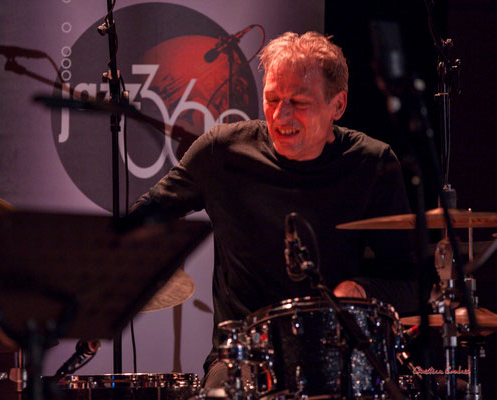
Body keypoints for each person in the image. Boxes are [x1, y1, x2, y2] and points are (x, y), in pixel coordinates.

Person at [130, 31, 417, 387]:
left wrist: (360, 288)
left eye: (299, 101)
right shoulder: (222, 151)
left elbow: (411, 282)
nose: (281, 114)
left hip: (337, 358)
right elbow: (142, 219)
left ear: (337, 106)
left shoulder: (372, 163)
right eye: (271, 98)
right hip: (240, 358)